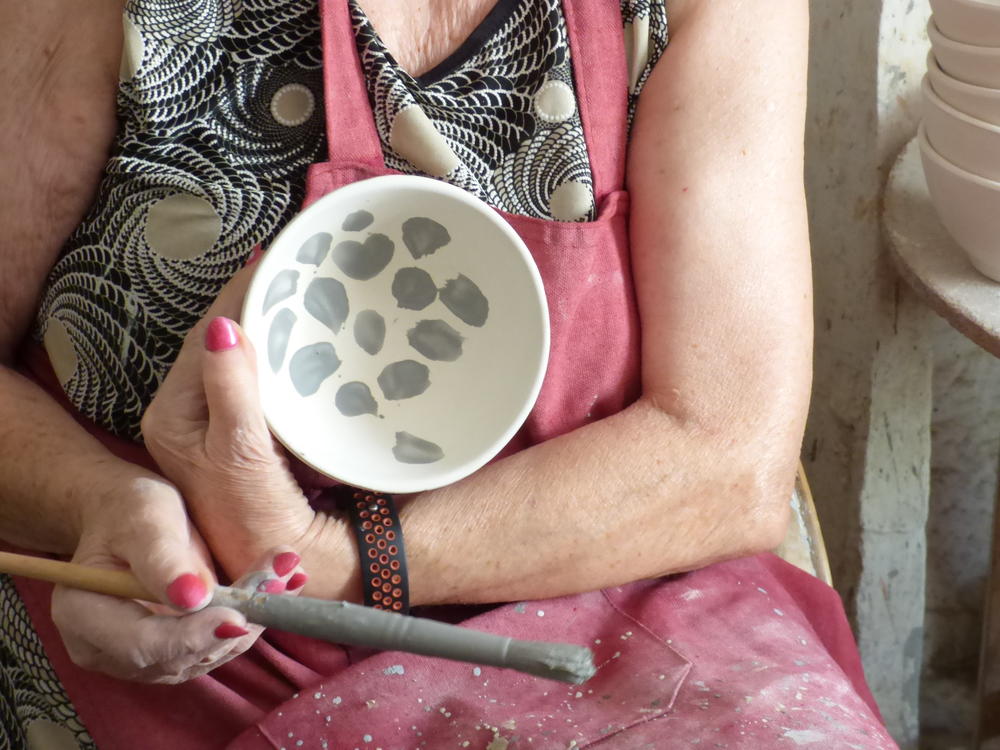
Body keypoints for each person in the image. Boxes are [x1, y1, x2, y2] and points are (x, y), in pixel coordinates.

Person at [0, 0, 899, 747]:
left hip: (610, 608)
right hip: (190, 629)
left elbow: (727, 453)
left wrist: (340, 561)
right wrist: (97, 505)